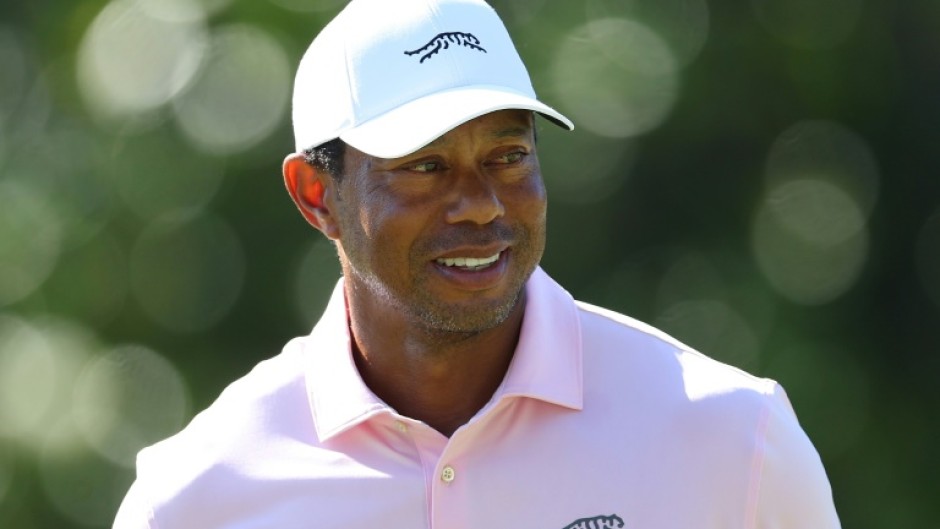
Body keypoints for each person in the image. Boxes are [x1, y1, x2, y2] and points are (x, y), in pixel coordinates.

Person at [113, 0, 841, 527]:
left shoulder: (735, 438)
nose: (481, 205)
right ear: (316, 196)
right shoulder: (191, 498)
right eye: (425, 166)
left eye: (508, 155)